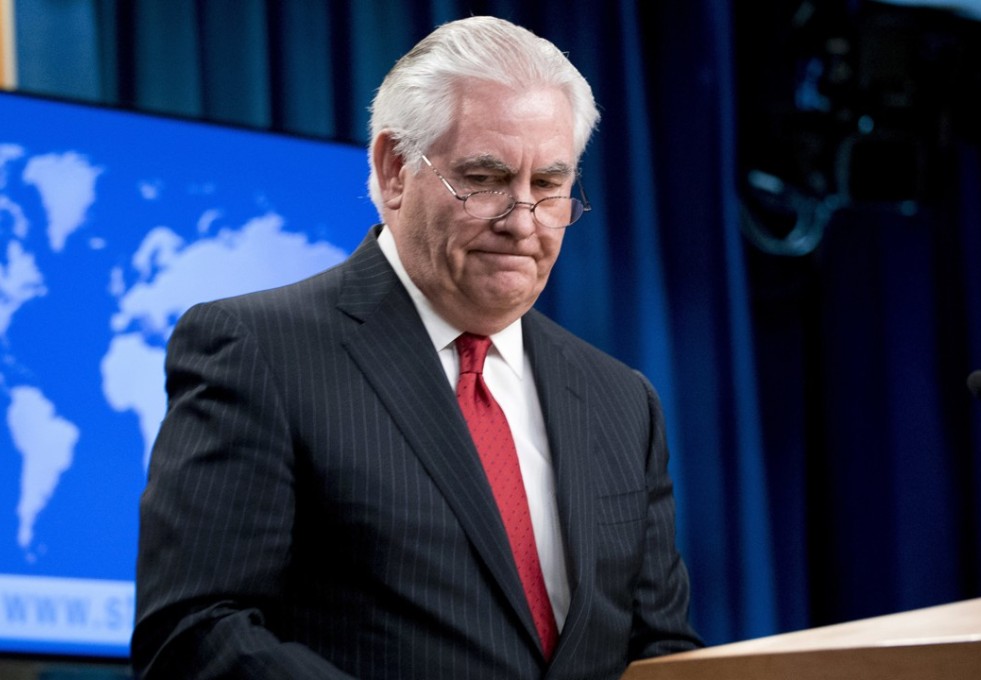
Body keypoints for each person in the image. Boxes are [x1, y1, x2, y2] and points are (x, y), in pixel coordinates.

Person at [131, 15, 702, 680]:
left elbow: (661, 649)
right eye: (485, 178)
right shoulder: (258, 351)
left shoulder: (622, 401)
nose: (523, 221)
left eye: (548, 185)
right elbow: (194, 635)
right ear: (395, 169)